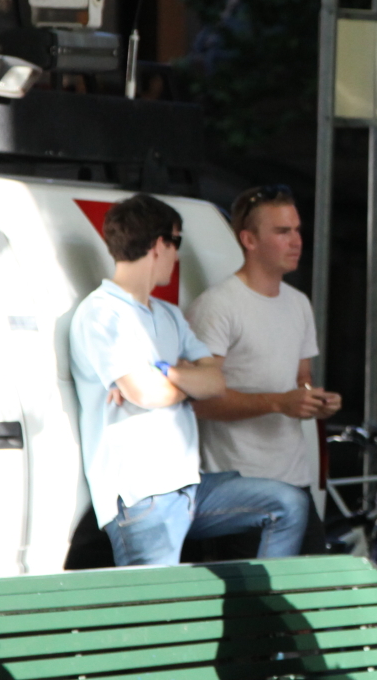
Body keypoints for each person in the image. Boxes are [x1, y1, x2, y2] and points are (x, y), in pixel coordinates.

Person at [68, 193, 313, 566]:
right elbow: (146, 393)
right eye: (176, 242)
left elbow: (215, 381)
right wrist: (180, 381)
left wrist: (168, 373)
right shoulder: (102, 314)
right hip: (143, 492)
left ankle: (260, 620)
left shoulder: (168, 314)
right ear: (158, 245)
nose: (177, 255)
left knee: (289, 503)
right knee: (158, 612)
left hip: (189, 485)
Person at [190, 185, 341, 527]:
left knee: (312, 581)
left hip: (295, 479)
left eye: (297, 230)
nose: (296, 240)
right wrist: (278, 403)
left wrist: (315, 400)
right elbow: (200, 402)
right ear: (249, 240)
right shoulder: (218, 305)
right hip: (239, 488)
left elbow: (302, 379)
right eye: (282, 231)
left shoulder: (299, 303)